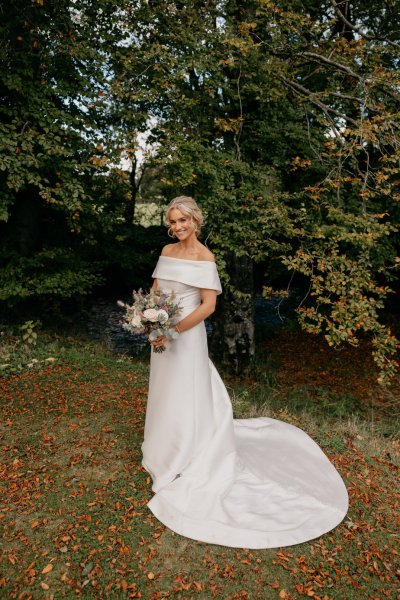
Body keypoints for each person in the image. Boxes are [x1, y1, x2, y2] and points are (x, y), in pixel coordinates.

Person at [141, 195, 348, 549]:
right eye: (172, 222)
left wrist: (173, 330)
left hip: (187, 337)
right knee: (164, 390)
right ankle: (162, 446)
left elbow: (208, 306)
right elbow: (157, 291)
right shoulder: (166, 250)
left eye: (182, 221)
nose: (176, 227)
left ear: (195, 220)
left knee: (185, 389)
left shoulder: (205, 258)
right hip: (162, 334)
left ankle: (189, 450)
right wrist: (151, 321)